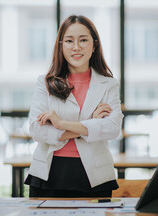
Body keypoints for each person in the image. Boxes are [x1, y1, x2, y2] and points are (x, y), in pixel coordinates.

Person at [24, 15, 124, 197]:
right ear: (61, 46)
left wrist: (61, 124)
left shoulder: (109, 84)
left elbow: (112, 128)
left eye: (83, 40)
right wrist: (90, 124)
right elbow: (36, 130)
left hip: (95, 175)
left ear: (94, 45)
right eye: (69, 41)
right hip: (48, 173)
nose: (76, 47)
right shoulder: (45, 83)